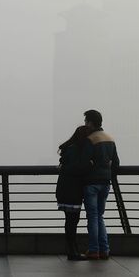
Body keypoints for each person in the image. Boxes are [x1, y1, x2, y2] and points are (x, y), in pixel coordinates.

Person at [81, 109, 119, 260]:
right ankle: (104, 249)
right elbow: (116, 163)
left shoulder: (90, 139)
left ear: (90, 123)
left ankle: (94, 250)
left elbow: (84, 161)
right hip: (105, 183)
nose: (85, 124)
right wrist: (109, 175)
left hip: (91, 183)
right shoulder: (110, 138)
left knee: (92, 217)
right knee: (99, 216)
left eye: (86, 121)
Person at [56, 125, 92, 261]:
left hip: (64, 189)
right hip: (73, 190)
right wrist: (91, 164)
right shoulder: (78, 150)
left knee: (69, 221)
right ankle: (73, 252)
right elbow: (79, 168)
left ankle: (72, 250)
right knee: (73, 221)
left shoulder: (70, 149)